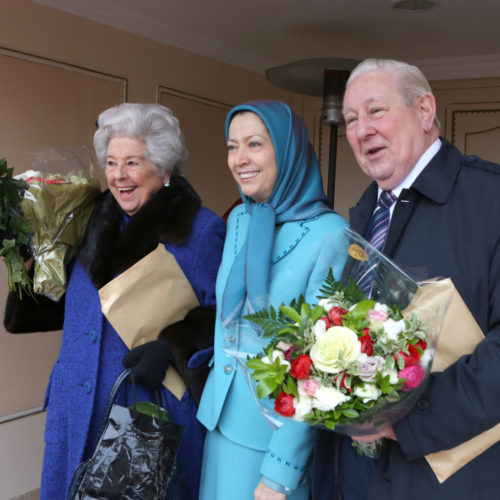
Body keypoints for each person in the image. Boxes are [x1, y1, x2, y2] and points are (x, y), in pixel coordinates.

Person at [4, 103, 225, 500]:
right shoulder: (83, 217)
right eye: (111, 162)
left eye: (133, 162)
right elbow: (60, 301)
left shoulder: (200, 229)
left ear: (163, 168)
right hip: (75, 400)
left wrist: (172, 346)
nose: (119, 175)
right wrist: (26, 259)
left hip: (145, 408)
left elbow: (226, 317)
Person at [312, 58, 500, 500]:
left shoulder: (490, 199)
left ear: (424, 111)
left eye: (376, 111)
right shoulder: (364, 214)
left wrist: (404, 420)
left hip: (462, 481)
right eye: (352, 119)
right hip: (360, 477)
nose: (360, 131)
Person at [197, 100, 348, 499]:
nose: (239, 159)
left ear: (288, 151)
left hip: (273, 440)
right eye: (232, 146)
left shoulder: (330, 235)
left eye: (254, 145)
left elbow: (322, 363)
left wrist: (281, 472)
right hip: (219, 422)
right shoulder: (239, 219)